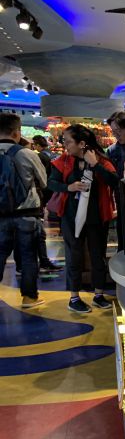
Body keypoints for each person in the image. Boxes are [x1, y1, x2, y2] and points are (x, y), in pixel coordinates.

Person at [49, 125, 120, 313]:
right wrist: (69, 187)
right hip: (71, 216)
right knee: (74, 256)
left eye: (68, 141)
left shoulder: (101, 160)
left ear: (81, 144)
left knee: (98, 256)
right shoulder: (63, 161)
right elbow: (51, 183)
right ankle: (74, 297)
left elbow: (115, 181)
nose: (64, 145)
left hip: (97, 217)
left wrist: (95, 165)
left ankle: (98, 295)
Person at [0, 113, 48, 308]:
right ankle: (29, 298)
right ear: (16, 133)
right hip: (27, 214)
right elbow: (43, 182)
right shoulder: (27, 154)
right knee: (28, 257)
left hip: (1, 216)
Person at [13, 134, 61, 275]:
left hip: (17, 206)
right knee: (32, 238)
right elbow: (44, 181)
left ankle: (30, 265)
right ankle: (30, 268)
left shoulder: (10, 158)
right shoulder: (31, 157)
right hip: (30, 205)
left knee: (29, 237)